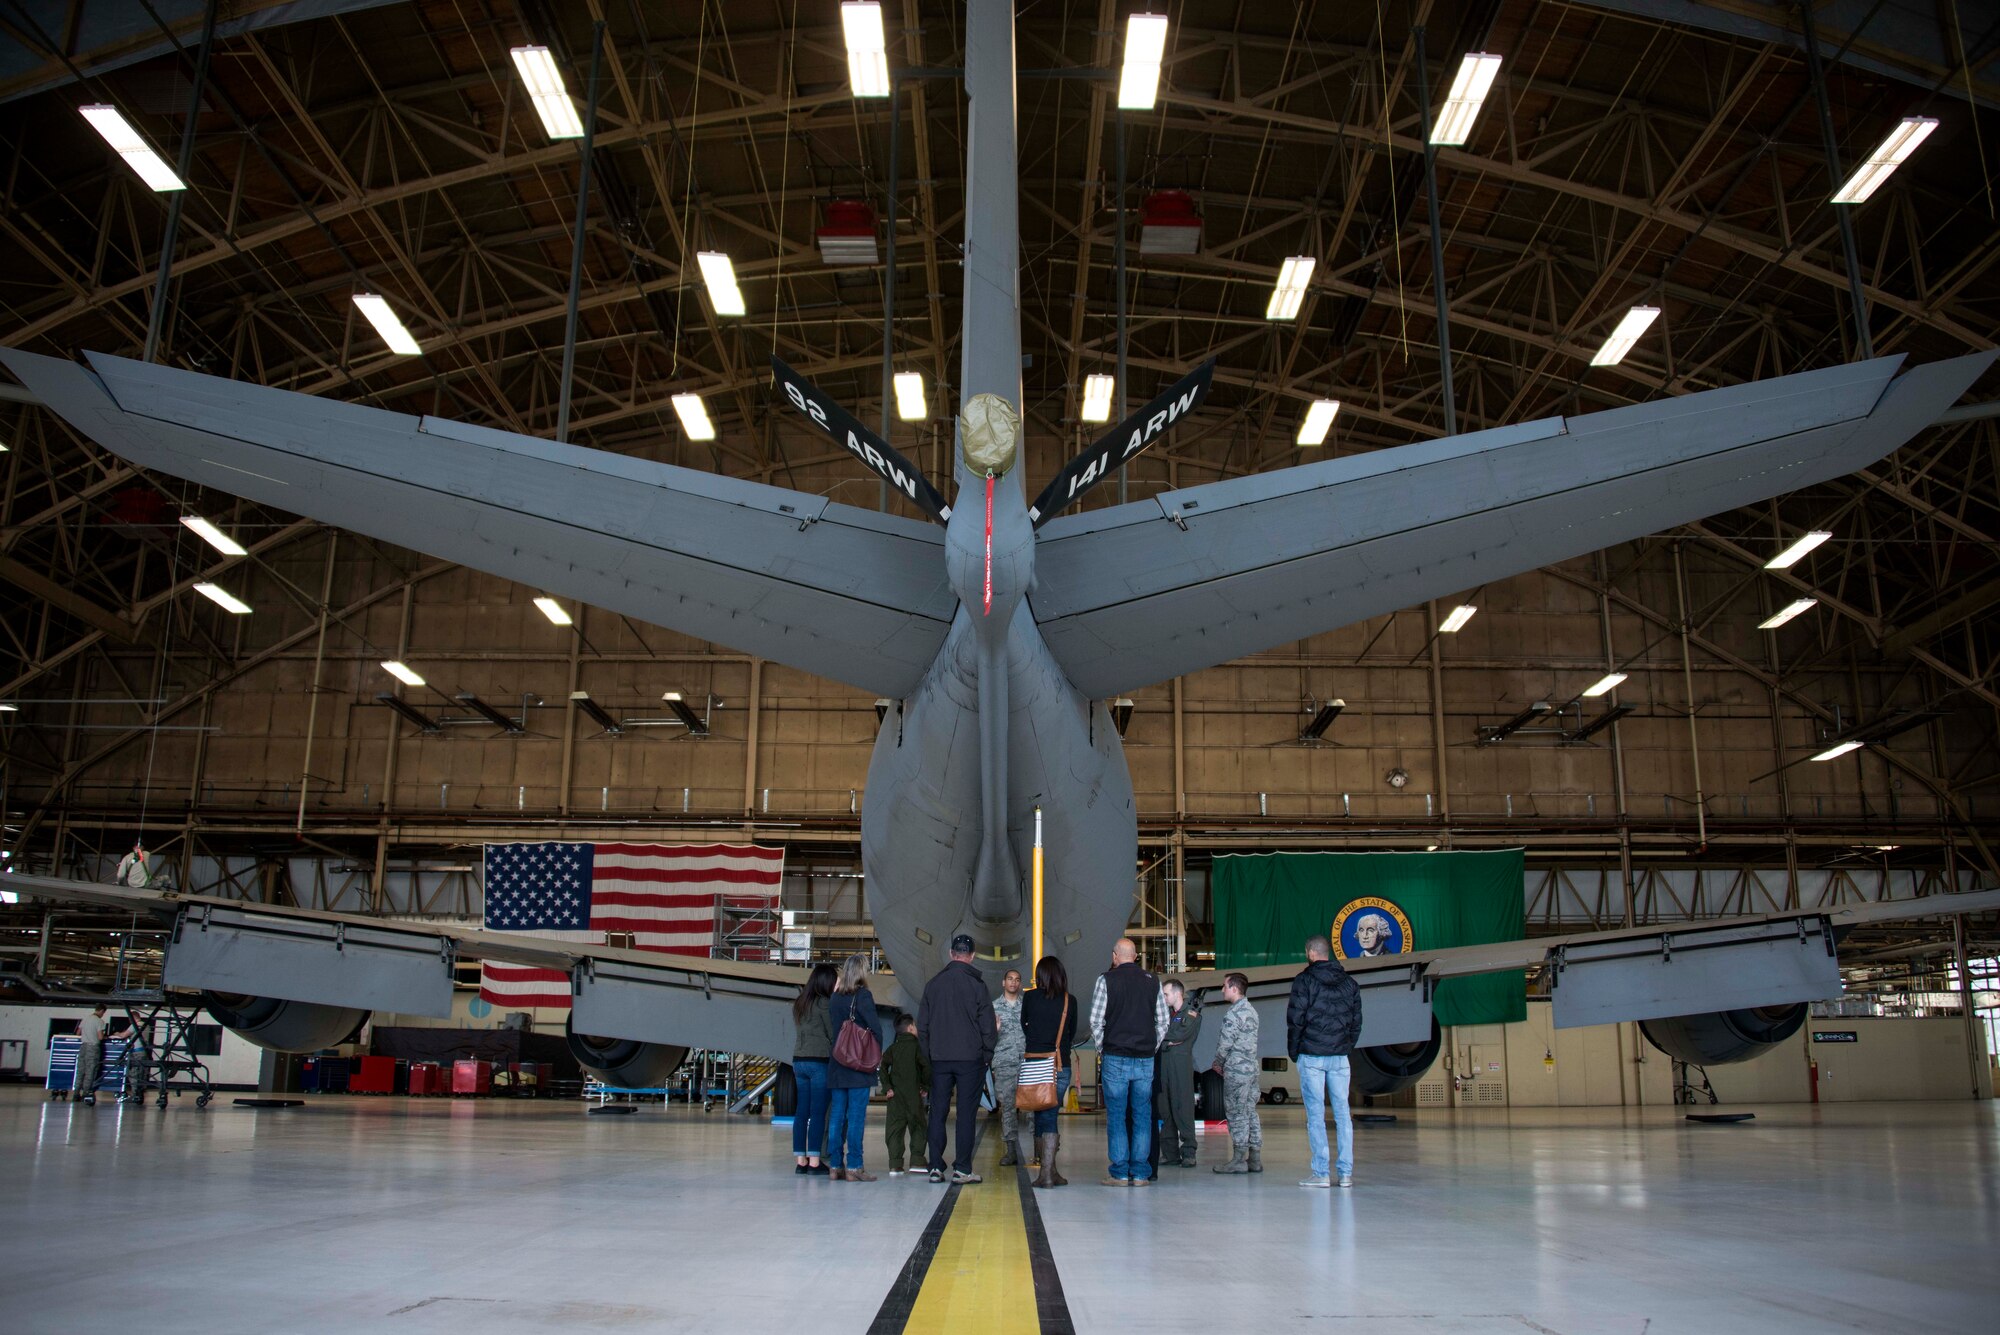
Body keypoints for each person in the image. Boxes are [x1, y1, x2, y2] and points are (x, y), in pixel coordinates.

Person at [1089, 937, 1168, 1186]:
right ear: (1135, 956)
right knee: (1143, 1114)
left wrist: (1103, 1047)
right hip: (1145, 1059)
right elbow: (1163, 1021)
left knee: (1117, 1114)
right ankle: (1142, 1173)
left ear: (1115, 956)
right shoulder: (1152, 981)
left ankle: (1121, 1172)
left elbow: (1095, 1020)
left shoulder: (1106, 980)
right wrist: (1150, 1046)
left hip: (1116, 1056)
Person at [918, 933, 995, 1184]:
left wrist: (930, 1056)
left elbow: (923, 1027)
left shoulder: (933, 985)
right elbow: (988, 1027)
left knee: (937, 1112)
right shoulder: (978, 986)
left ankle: (935, 1167)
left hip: (940, 1059)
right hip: (970, 1060)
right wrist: (987, 1055)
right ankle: (962, 1168)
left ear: (951, 954)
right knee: (965, 1114)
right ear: (972, 956)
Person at [1289, 935, 1364, 1188]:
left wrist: (1294, 1050)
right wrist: (1345, 1046)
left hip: (1312, 1054)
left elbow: (1295, 1019)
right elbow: (1356, 1022)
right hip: (1340, 1058)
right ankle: (1345, 1174)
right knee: (1343, 1115)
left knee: (1316, 1116)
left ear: (1310, 953)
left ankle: (1321, 1173)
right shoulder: (1350, 983)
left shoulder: (1304, 981)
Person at [1019, 954, 1078, 1189]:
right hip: (1059, 1064)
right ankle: (1050, 1170)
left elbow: (1025, 1025)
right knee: (1050, 1114)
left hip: (1035, 1064)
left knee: (1041, 1115)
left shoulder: (1030, 998)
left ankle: (1046, 1173)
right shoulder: (1069, 1001)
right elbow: (1071, 1032)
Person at [825, 953, 885, 1182]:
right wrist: (875, 1053)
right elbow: (876, 1029)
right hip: (858, 1065)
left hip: (838, 1062)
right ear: (862, 971)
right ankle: (855, 1166)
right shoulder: (864, 996)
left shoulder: (835, 998)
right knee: (856, 1116)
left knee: (837, 1116)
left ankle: (835, 1165)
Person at [1210, 973, 1262, 1173]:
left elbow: (1225, 1044)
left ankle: (1239, 1159)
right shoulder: (1252, 1010)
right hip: (1251, 1069)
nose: (1222, 989)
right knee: (1250, 1112)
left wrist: (1218, 1062)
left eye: (1224, 986)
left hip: (1237, 1071)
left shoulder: (1233, 1014)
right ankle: (1255, 1158)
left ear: (1234, 988)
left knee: (1236, 1113)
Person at [789, 962, 837, 1175]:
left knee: (801, 1112)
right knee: (818, 1113)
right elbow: (832, 1032)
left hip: (799, 1061)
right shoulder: (824, 1003)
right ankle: (815, 1162)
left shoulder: (800, 1002)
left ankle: (801, 1161)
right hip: (819, 1061)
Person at [1155, 979, 1202, 1168]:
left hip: (1180, 1068)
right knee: (1165, 1110)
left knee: (1183, 1109)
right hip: (1163, 1067)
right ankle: (1170, 1154)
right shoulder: (1164, 1014)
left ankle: (1189, 1152)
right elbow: (1158, 1034)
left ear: (1177, 993)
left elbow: (1178, 1035)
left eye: (1166, 994)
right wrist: (1166, 1040)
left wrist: (1163, 1038)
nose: (1163, 998)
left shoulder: (1191, 1014)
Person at [880, 1014, 930, 1175]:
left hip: (895, 1097)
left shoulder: (892, 1049)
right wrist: (925, 1086)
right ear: (910, 1028)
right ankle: (917, 1161)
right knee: (918, 1127)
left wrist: (887, 1087)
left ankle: (895, 1164)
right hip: (914, 1095)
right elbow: (927, 1067)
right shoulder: (918, 1048)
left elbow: (882, 1067)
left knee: (895, 1130)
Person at [992, 968, 1027, 1165]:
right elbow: (987, 1039)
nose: (1013, 982)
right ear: (1003, 983)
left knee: (1031, 1106)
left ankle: (1038, 1149)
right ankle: (1011, 1149)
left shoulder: (1026, 1006)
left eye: (1017, 979)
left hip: (1025, 1061)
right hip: (1005, 1062)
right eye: (1010, 979)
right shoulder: (994, 1007)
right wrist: (995, 1031)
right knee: (1007, 1107)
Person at [73, 1004, 108, 1105]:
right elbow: (100, 1037)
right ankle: (86, 1093)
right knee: (90, 1071)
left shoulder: (85, 1019)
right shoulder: (99, 1021)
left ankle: (76, 1093)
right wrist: (106, 1036)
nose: (102, 1015)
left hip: (83, 1047)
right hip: (93, 1048)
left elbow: (78, 1033)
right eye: (103, 1013)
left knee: (80, 1070)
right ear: (101, 1011)